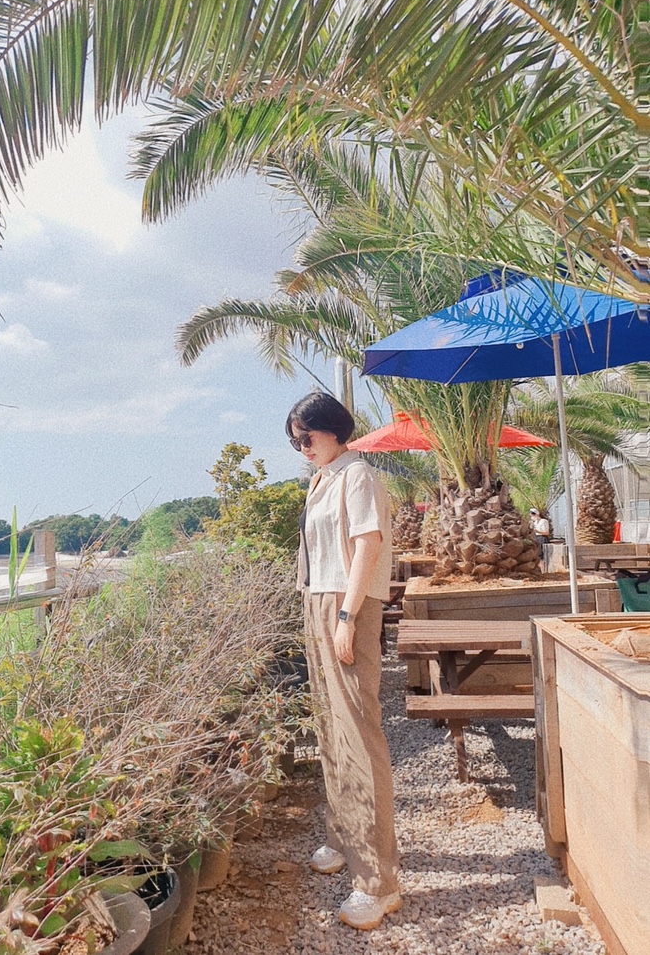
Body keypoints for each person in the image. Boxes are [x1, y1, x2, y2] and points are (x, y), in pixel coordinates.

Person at [286, 391, 400, 931]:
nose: (300, 447)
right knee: (329, 730)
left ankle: (379, 882)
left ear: (334, 430)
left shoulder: (358, 475)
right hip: (319, 601)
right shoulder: (325, 478)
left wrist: (348, 617)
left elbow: (369, 545)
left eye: (306, 437)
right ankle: (343, 837)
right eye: (294, 440)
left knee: (357, 732)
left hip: (344, 604)